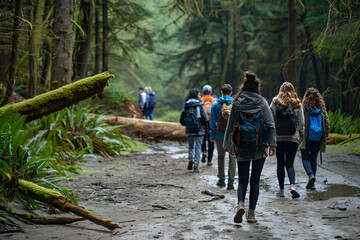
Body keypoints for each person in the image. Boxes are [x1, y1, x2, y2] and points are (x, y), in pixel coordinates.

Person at [223, 71, 276, 224]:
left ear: (244, 87)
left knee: (242, 180)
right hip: (259, 147)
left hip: (241, 146)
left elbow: (230, 125)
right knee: (255, 181)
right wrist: (273, 144)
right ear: (257, 88)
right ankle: (251, 214)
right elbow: (270, 125)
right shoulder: (262, 102)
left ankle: (240, 204)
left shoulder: (237, 102)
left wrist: (227, 144)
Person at [270, 82, 304, 198]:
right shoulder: (297, 103)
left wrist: (272, 136)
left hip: (278, 137)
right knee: (290, 163)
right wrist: (301, 134)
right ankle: (293, 186)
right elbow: (301, 122)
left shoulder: (275, 102)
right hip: (293, 137)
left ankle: (281, 189)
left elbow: (271, 120)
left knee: (280, 163)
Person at [300, 88, 330, 189]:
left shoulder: (304, 109)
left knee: (305, 159)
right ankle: (312, 184)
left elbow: (300, 122)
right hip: (317, 138)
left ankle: (310, 175)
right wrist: (325, 137)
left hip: (306, 138)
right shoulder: (321, 109)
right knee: (313, 159)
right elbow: (327, 124)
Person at [209, 84, 237, 190]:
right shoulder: (235, 103)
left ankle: (221, 180)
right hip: (232, 134)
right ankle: (231, 182)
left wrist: (212, 136)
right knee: (232, 157)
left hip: (219, 134)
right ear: (230, 93)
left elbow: (212, 122)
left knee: (221, 157)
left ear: (221, 92)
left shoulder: (215, 104)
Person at [180, 88, 209, 173]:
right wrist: (205, 126)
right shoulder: (200, 104)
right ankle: (196, 166)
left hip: (189, 129)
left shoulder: (186, 105)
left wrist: (187, 125)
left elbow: (181, 119)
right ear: (196, 95)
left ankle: (190, 158)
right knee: (198, 147)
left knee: (191, 146)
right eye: (199, 95)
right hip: (199, 128)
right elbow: (206, 118)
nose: (200, 96)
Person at [200, 85, 216, 166]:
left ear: (203, 92)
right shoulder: (213, 100)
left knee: (203, 139)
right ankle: (209, 161)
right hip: (211, 123)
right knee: (211, 141)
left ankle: (204, 152)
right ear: (211, 92)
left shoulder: (201, 100)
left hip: (203, 122)